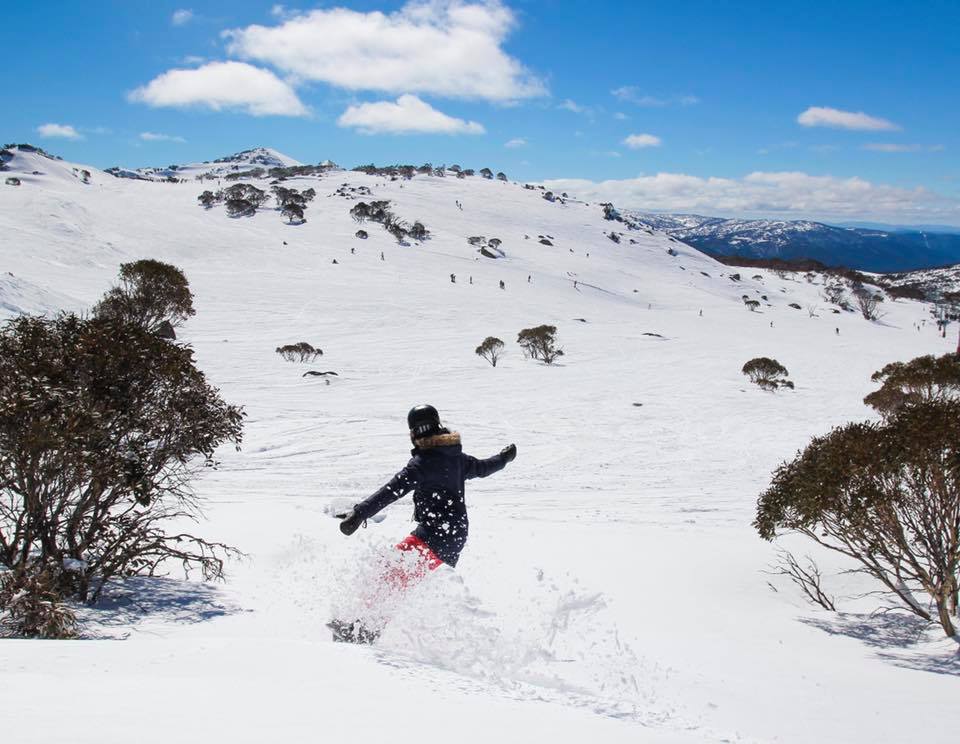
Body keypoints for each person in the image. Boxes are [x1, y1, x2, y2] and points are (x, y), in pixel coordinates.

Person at [333, 405, 516, 642]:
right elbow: (483, 468)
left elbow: (390, 491)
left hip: (433, 535)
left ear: (413, 434)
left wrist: (359, 514)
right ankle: (368, 627)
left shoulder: (422, 464)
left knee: (387, 572)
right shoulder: (455, 457)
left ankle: (364, 629)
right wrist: (504, 458)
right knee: (399, 577)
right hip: (455, 536)